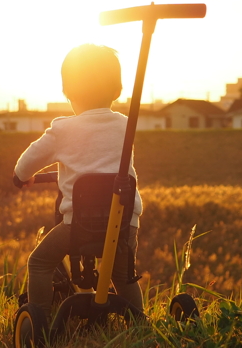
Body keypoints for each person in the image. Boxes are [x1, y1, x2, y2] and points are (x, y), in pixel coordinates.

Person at [13, 44, 144, 313]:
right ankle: (140, 323)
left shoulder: (63, 129)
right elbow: (103, 163)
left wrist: (20, 177)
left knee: (39, 263)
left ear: (67, 91)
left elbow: (28, 162)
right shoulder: (126, 125)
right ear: (117, 90)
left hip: (79, 225)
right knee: (123, 276)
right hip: (124, 223)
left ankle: (39, 319)